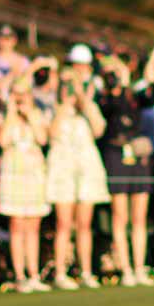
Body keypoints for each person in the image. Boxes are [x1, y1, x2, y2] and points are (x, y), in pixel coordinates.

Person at [47, 63, 110, 290]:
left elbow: (99, 129)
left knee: (84, 224)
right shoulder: (54, 107)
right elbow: (50, 134)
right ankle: (62, 272)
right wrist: (64, 106)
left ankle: (85, 271)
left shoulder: (87, 107)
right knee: (64, 223)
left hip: (86, 169)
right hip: (62, 169)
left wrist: (82, 98)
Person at [98, 55, 154, 285]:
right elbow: (111, 108)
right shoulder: (104, 96)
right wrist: (116, 84)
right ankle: (126, 269)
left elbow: (148, 98)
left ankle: (140, 267)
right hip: (116, 154)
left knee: (139, 217)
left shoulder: (134, 95)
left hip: (137, 156)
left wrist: (131, 78)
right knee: (120, 216)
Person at [0, 77, 51, 293]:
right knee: (17, 225)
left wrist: (30, 115)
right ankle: (20, 275)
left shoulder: (38, 113)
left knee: (33, 226)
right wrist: (11, 112)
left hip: (34, 173)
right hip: (13, 173)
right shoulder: (4, 115)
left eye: (23, 93)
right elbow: (3, 141)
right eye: (16, 94)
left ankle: (34, 273)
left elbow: (43, 139)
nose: (20, 98)